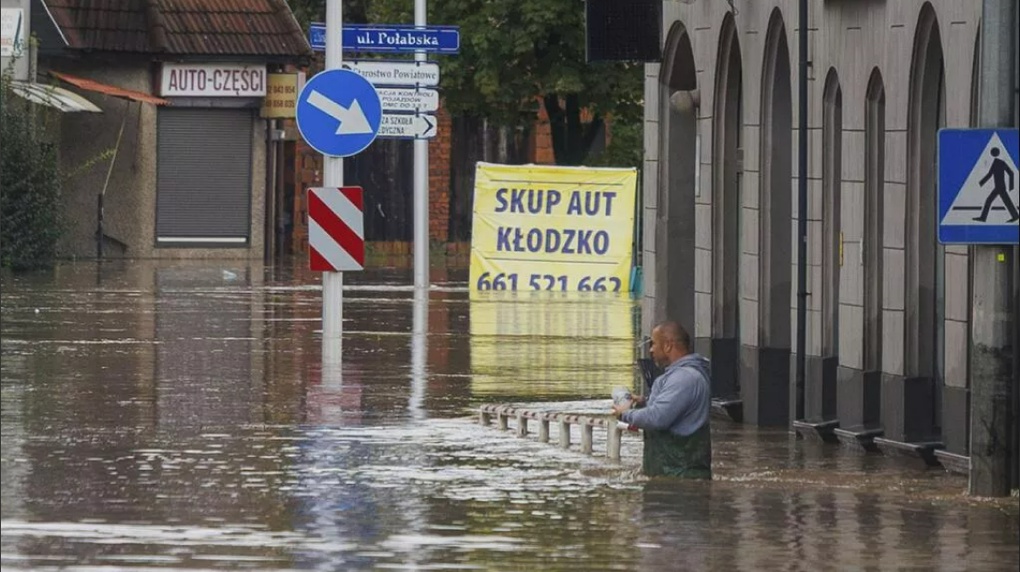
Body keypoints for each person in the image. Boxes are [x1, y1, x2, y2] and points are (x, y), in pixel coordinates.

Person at [613, 320, 712, 479]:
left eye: (653, 344)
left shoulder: (684, 378)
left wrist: (625, 414)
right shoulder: (680, 376)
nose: (651, 349)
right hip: (671, 477)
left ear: (668, 345)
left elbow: (657, 418)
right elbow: (672, 410)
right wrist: (645, 402)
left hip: (680, 482)